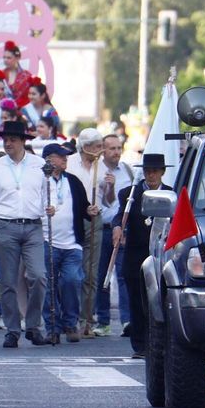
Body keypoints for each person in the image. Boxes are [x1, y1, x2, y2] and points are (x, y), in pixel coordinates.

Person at [0, 120, 49, 348]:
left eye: (12, 139)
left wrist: (50, 206)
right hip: (5, 225)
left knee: (38, 276)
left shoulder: (39, 164)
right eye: (5, 139)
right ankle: (12, 329)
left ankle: (32, 325)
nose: (7, 143)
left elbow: (48, 193)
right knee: (8, 281)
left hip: (32, 225)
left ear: (22, 141)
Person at [113, 153, 170, 358]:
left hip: (161, 255)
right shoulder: (130, 194)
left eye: (155, 171)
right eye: (147, 171)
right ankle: (140, 345)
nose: (151, 175)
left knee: (161, 300)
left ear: (162, 172)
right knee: (137, 301)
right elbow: (120, 215)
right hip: (136, 253)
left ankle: (161, 343)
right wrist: (118, 227)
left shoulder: (172, 194)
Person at [41, 143, 91, 343]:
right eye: (61, 157)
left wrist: (90, 211)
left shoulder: (73, 181)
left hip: (71, 242)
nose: (65, 160)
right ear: (49, 159)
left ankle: (71, 322)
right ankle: (52, 326)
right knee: (48, 285)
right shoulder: (40, 180)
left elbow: (84, 206)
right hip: (47, 239)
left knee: (71, 280)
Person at [94, 133, 134, 336]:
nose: (117, 152)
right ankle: (102, 320)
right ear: (103, 150)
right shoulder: (96, 170)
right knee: (102, 275)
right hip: (102, 228)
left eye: (119, 148)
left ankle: (127, 320)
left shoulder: (128, 171)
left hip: (123, 230)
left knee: (123, 274)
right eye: (112, 148)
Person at [68, 128, 106, 336]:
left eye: (100, 146)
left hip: (95, 219)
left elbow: (108, 200)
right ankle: (70, 318)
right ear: (84, 147)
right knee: (73, 272)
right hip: (73, 220)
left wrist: (109, 188)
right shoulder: (71, 163)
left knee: (91, 273)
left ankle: (87, 320)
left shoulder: (102, 166)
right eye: (96, 146)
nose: (99, 150)